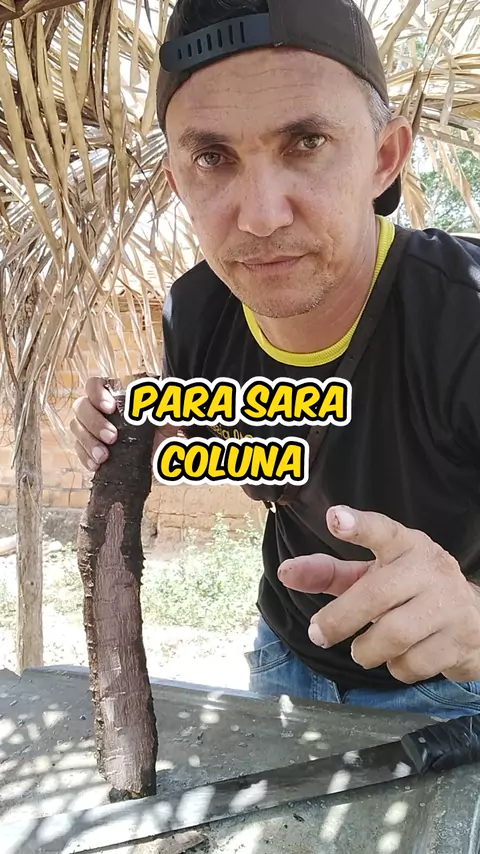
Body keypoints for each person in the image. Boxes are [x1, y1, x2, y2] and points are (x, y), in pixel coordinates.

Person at [71, 0, 480, 721]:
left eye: (307, 142)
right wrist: (146, 426)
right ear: (178, 182)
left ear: (385, 158)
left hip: (458, 682)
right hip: (287, 657)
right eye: (212, 158)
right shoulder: (198, 309)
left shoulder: (466, 320)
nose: (261, 216)